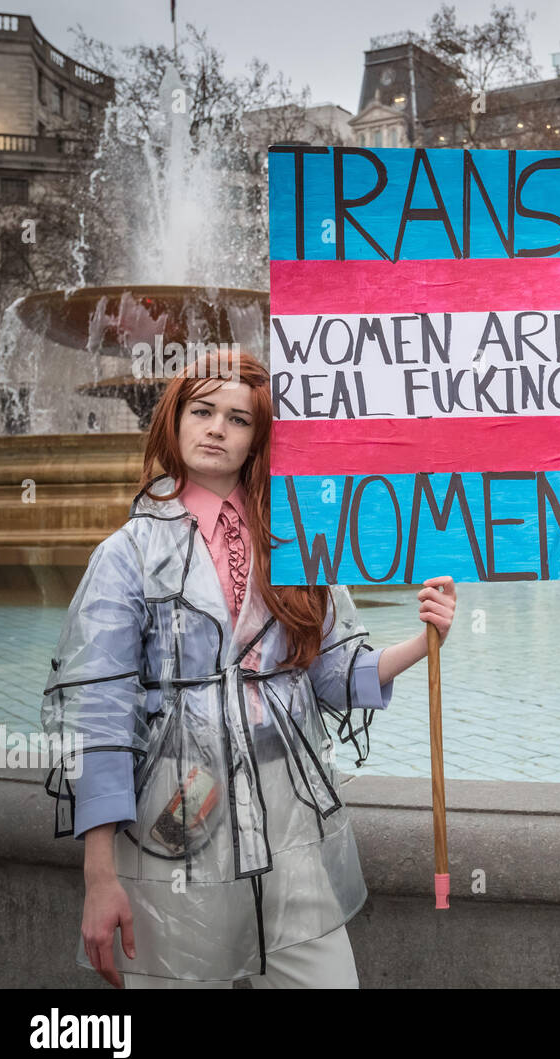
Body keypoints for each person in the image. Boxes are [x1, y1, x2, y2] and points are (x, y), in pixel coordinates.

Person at [41, 356, 457, 988]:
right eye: (202, 411)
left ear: (259, 437)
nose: (216, 429)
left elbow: (331, 670)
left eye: (237, 419)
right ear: (174, 421)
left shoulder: (295, 543)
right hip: (174, 805)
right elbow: (100, 717)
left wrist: (424, 640)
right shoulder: (124, 555)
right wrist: (101, 880)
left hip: (283, 804)